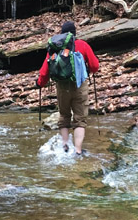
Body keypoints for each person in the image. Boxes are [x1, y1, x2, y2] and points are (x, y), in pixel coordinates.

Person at [37, 20, 99, 155]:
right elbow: (95, 66)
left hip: (62, 87)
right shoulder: (82, 45)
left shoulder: (56, 47)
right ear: (75, 33)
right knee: (80, 119)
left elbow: (45, 70)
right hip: (79, 85)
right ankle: (77, 150)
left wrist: (40, 83)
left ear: (62, 33)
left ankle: (65, 145)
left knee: (64, 116)